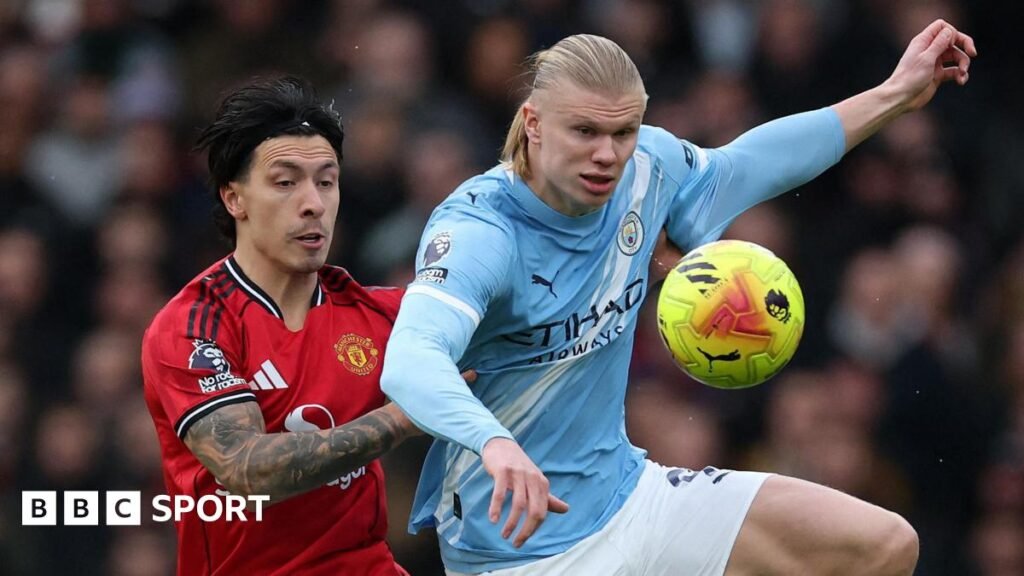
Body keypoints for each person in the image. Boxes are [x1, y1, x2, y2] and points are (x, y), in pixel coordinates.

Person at [380, 19, 976, 575]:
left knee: (882, 545)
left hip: (630, 497)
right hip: (514, 548)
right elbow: (410, 360)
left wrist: (895, 92)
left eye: (622, 131)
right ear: (533, 123)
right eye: (584, 131)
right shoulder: (482, 232)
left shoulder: (646, 169)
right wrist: (495, 442)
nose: (607, 155)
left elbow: (749, 165)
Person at [141, 76, 439, 575]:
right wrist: (399, 420)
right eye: (286, 182)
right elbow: (246, 467)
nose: (313, 204)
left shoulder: (382, 314)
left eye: (326, 181)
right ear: (234, 199)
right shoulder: (194, 327)